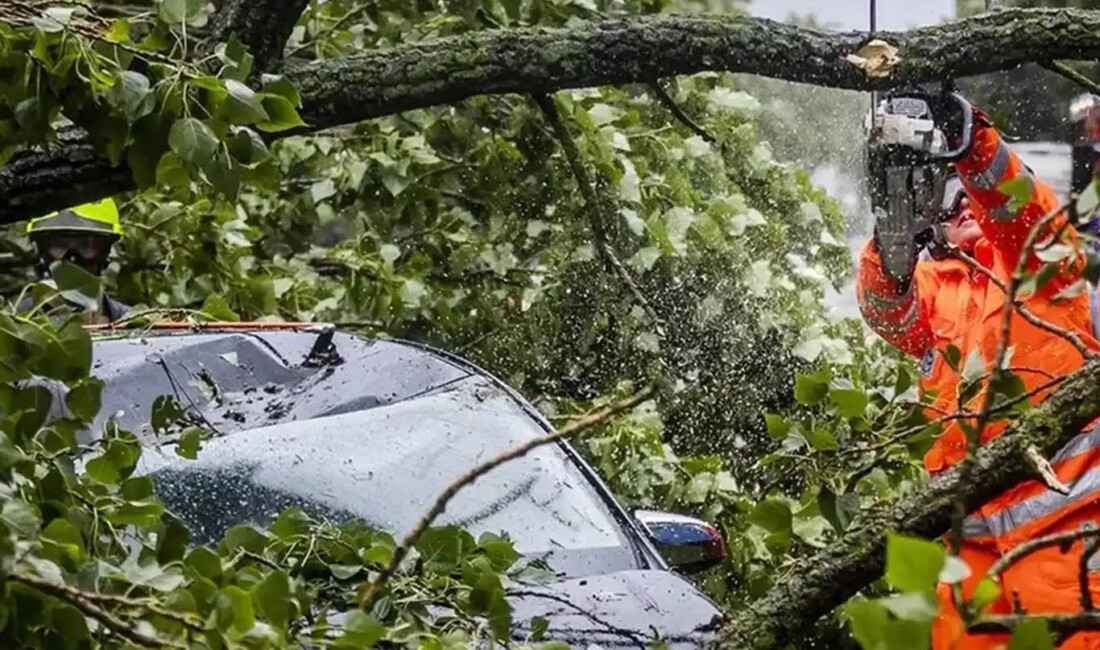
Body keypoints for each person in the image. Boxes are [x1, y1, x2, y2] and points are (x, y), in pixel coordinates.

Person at [857, 93, 1100, 649]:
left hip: (1067, 557)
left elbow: (1021, 211)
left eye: (976, 194)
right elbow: (883, 306)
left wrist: (966, 137)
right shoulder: (936, 291)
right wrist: (891, 241)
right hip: (969, 573)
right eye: (952, 196)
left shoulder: (1048, 269)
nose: (965, 202)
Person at [22, 198, 130, 323]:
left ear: (106, 251)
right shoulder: (12, 323)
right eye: (60, 245)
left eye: (85, 245)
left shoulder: (134, 323)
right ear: (41, 250)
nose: (71, 259)